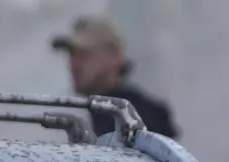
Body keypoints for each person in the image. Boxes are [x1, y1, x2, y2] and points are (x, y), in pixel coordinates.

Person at [51, 15, 179, 139]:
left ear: (114, 56)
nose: (73, 64)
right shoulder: (98, 113)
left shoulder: (136, 117)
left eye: (84, 54)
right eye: (71, 55)